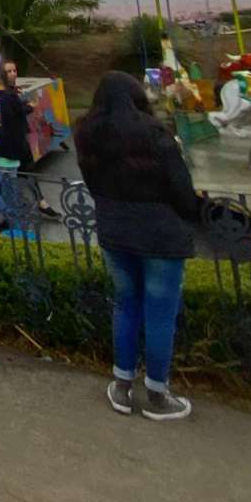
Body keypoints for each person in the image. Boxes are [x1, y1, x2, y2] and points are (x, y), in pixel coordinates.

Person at [76, 70, 201, 422]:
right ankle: (157, 393)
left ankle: (122, 384)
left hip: (115, 231)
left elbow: (91, 183)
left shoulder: (87, 136)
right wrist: (190, 214)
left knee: (125, 304)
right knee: (160, 313)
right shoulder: (155, 134)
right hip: (159, 234)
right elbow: (182, 189)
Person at [0, 60, 60, 231]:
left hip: (13, 145)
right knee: (8, 182)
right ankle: (24, 211)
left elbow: (14, 115)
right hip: (10, 146)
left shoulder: (9, 93)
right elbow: (13, 115)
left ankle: (18, 213)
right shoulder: (4, 96)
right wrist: (29, 106)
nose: (13, 73)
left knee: (8, 181)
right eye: (9, 71)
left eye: (14, 70)